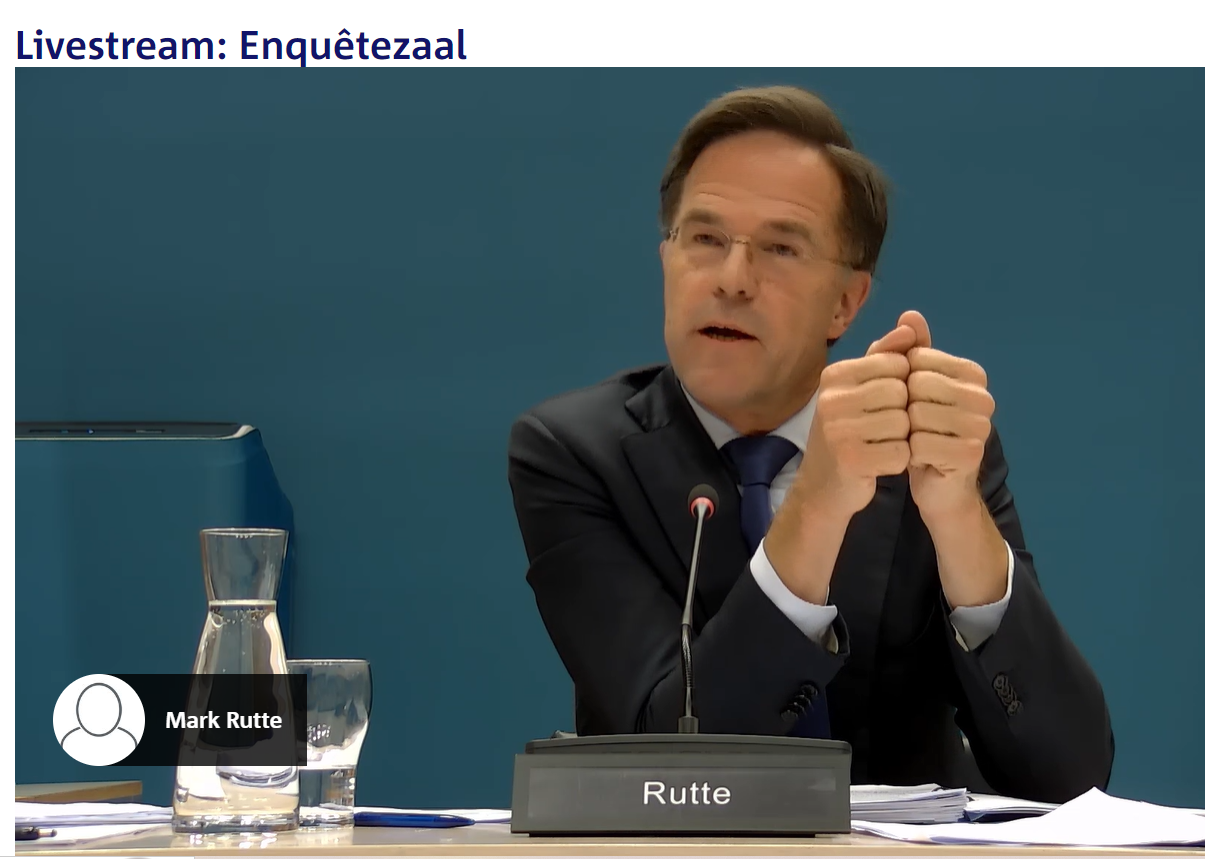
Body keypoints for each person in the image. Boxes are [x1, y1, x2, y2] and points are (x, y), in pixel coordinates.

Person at [506, 85, 1113, 802]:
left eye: (780, 248)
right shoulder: (576, 452)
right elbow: (680, 762)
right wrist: (819, 505)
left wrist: (956, 516)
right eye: (704, 239)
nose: (731, 280)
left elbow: (1070, 779)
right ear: (666, 259)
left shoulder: (919, 445)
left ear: (846, 303)